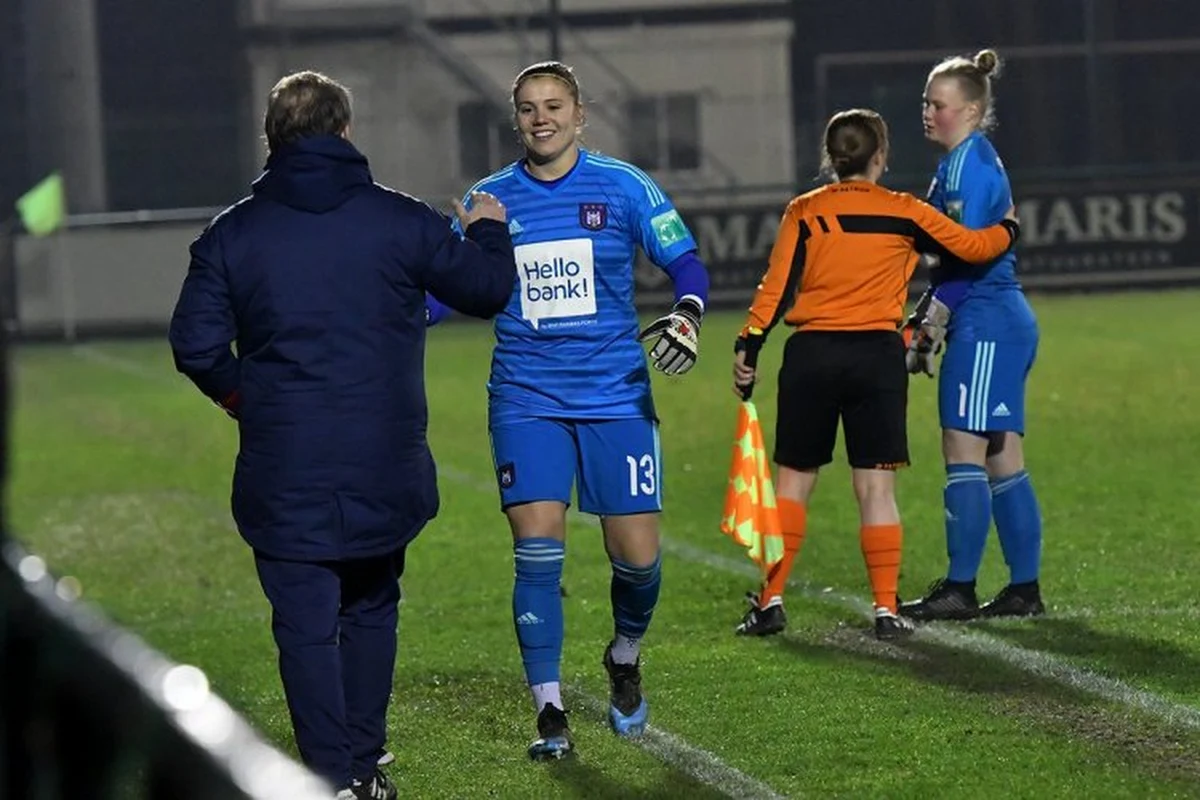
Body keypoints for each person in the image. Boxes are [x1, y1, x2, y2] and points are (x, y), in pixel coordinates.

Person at [168, 70, 516, 800]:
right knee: (370, 607)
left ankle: (329, 780)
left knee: (303, 627)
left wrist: (243, 398)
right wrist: (486, 225)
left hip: (284, 466)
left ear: (272, 137)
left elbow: (196, 345)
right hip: (382, 461)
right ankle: (361, 768)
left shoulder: (232, 234)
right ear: (346, 132)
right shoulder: (401, 221)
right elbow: (486, 291)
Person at [457, 60, 710, 760]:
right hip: (525, 398)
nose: (543, 118)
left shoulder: (624, 186)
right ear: (516, 119)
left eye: (554, 105)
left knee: (637, 559)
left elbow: (686, 262)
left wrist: (688, 311)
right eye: (530, 108)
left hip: (615, 397)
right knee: (537, 551)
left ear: (580, 114)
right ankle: (550, 713)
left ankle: (624, 656)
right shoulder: (490, 199)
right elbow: (456, 285)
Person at [730, 108, 1020, 641]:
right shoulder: (904, 211)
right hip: (876, 359)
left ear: (830, 158)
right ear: (880, 156)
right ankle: (886, 611)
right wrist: (1009, 226)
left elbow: (774, 289)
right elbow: (974, 247)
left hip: (812, 356)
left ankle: (770, 601)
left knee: (793, 485)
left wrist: (749, 345)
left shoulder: (805, 211)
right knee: (876, 489)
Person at [900, 49, 1045, 622]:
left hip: (987, 322)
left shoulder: (966, 170)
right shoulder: (965, 161)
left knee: (962, 447)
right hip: (996, 320)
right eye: (926, 103)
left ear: (972, 108)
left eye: (938, 104)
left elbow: (965, 259)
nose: (928, 113)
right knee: (1001, 456)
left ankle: (961, 587)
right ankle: (1023, 590)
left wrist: (930, 321)